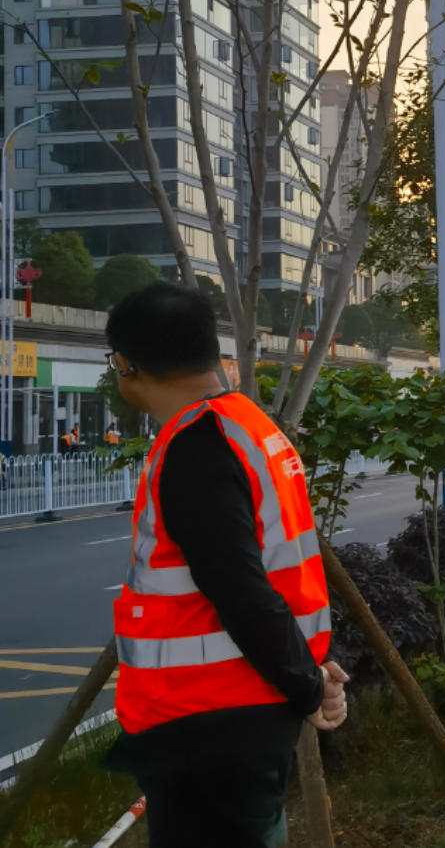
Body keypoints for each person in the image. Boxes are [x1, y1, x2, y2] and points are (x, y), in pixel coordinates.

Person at [103, 282, 348, 848]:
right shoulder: (252, 427)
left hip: (208, 720)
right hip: (244, 711)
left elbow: (238, 587)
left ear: (124, 363)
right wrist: (307, 678)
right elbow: (279, 573)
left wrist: (309, 688)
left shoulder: (196, 446)